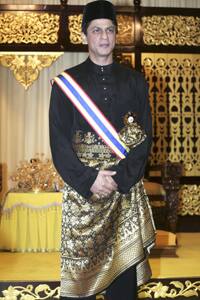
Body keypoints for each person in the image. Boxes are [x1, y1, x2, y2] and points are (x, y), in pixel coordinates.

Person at [49, 1, 156, 299]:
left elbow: (145, 136)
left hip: (123, 194)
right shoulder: (65, 84)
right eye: (96, 30)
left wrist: (121, 178)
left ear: (116, 34)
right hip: (83, 196)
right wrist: (89, 180)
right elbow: (58, 142)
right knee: (80, 287)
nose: (104, 37)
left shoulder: (135, 81)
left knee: (122, 287)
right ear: (85, 35)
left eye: (109, 30)